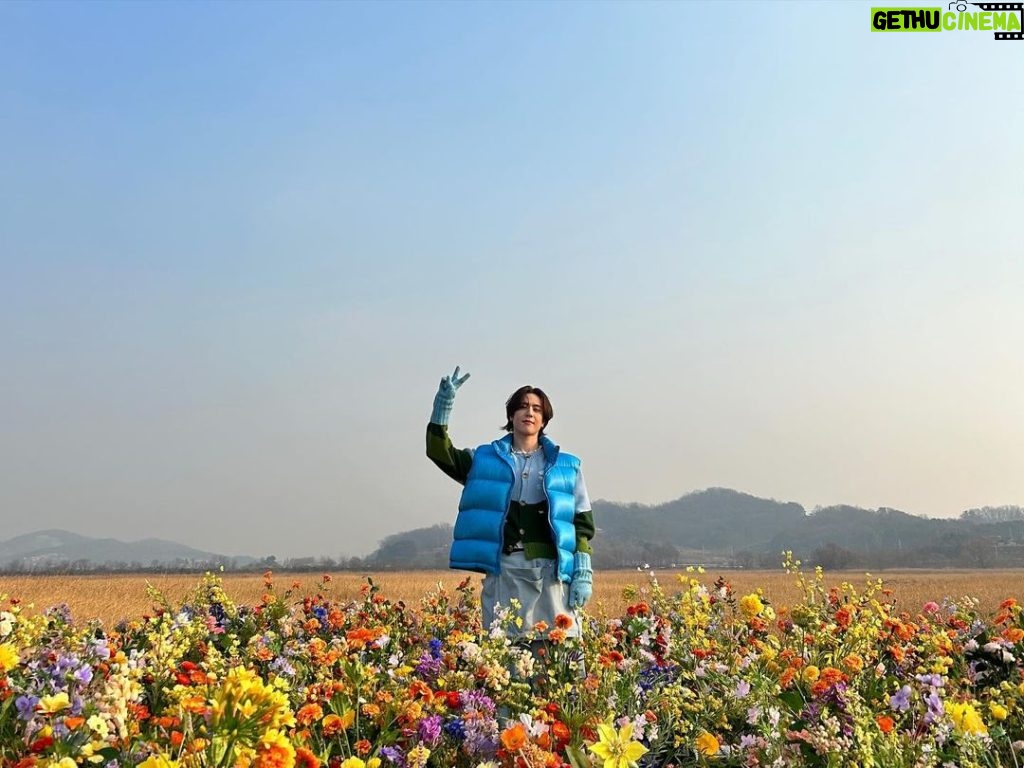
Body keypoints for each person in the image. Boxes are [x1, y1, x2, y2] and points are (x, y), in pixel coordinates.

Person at [426, 366, 595, 638]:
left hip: (552, 575)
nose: (529, 412)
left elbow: (582, 523)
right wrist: (443, 406)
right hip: (505, 569)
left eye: (537, 409)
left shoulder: (567, 466)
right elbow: (439, 452)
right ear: (511, 415)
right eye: (523, 406)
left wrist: (583, 570)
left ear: (544, 419)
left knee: (559, 655)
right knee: (505, 655)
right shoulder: (484, 460)